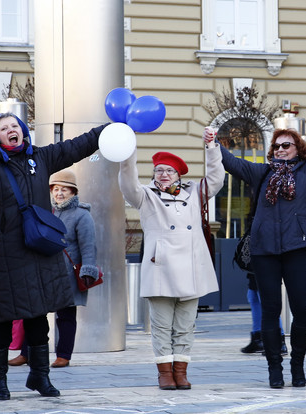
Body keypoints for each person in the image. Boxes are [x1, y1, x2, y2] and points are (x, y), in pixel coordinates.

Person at [0, 113, 107, 400]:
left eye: (14, 126)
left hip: (39, 249)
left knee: (38, 317)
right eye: (4, 128)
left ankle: (40, 376)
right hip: (4, 255)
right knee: (2, 320)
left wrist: (106, 130)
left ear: (23, 131)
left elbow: (76, 146)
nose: (10, 130)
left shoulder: (40, 158)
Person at [219, 93, 306, 388]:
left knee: (302, 310)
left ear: (298, 149)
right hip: (264, 251)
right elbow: (232, 163)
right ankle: (275, 368)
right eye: (277, 145)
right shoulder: (262, 173)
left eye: (287, 145)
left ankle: (298, 366)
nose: (281, 149)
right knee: (270, 311)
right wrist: (212, 144)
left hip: (296, 248)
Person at [118, 130, 224, 391]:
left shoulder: (195, 193)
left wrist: (211, 147)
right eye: (159, 171)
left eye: (169, 171)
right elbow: (127, 184)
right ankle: (165, 373)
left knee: (186, 326)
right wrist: (127, 152)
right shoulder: (146, 196)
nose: (163, 175)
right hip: (161, 268)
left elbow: (216, 178)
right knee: (162, 326)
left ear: (179, 175)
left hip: (191, 268)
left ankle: (181, 371)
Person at [7, 169, 99, 369]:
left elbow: (88, 246)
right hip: (44, 271)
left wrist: (88, 270)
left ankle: (63, 355)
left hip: (67, 275)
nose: (59, 193)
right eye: (56, 189)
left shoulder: (82, 215)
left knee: (65, 316)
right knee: (34, 313)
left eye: (65, 189)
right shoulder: (46, 211)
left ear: (73, 193)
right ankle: (27, 352)